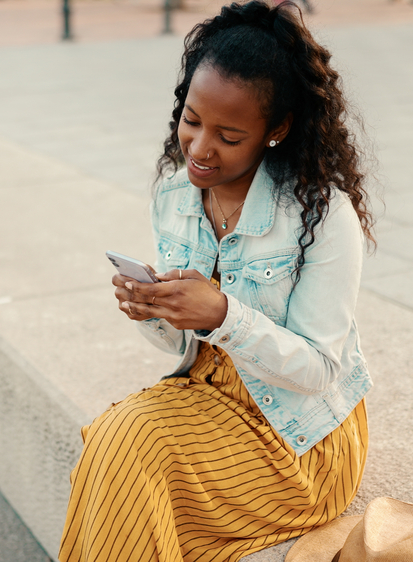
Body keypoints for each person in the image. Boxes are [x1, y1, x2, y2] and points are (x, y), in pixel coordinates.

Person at [59, 2, 376, 561]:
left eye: (229, 136)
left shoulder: (322, 215)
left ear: (275, 131)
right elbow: (183, 348)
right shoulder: (176, 195)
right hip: (206, 396)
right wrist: (154, 311)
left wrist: (224, 316)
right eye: (191, 120)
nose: (200, 149)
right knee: (118, 444)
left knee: (129, 448)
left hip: (298, 439)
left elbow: (321, 371)